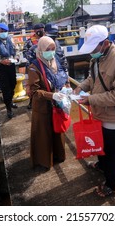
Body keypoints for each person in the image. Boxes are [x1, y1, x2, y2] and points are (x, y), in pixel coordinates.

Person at [73, 24, 115, 197]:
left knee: (112, 151)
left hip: (112, 115)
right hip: (99, 110)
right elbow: (93, 78)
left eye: (93, 48)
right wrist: (80, 88)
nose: (91, 52)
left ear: (105, 43)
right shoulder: (98, 57)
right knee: (100, 143)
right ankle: (101, 165)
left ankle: (112, 184)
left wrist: (91, 99)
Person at [27, 36, 69, 170]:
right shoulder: (34, 67)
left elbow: (62, 77)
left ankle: (58, 156)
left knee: (57, 131)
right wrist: (52, 95)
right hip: (43, 107)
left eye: (53, 49)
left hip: (56, 106)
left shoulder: (55, 62)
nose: (51, 52)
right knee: (44, 135)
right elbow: (34, 91)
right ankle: (44, 161)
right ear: (40, 50)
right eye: (47, 49)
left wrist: (66, 87)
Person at [0, 23, 18, 119]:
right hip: (1, 67)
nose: (4, 33)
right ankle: (8, 108)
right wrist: (1, 61)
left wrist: (16, 58)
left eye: (5, 31)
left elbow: (17, 50)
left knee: (13, 84)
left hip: (11, 65)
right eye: (1, 31)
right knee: (5, 88)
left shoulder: (11, 40)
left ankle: (10, 101)